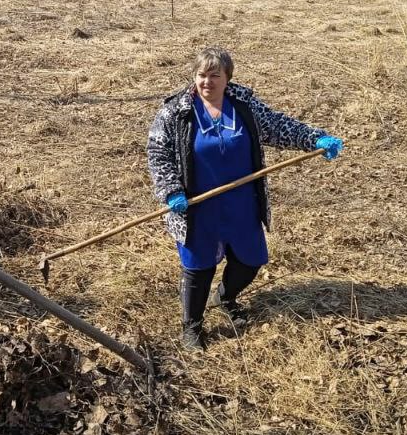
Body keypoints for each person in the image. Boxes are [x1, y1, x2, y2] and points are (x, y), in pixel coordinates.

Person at [146, 47, 343, 351]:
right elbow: (158, 153)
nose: (207, 82)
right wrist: (172, 190)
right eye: (201, 75)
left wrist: (314, 138)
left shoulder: (243, 106)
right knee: (198, 267)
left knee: (251, 260)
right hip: (196, 206)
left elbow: (278, 126)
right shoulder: (177, 112)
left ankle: (224, 297)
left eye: (214, 75)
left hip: (241, 201)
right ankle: (192, 327)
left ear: (228, 79)